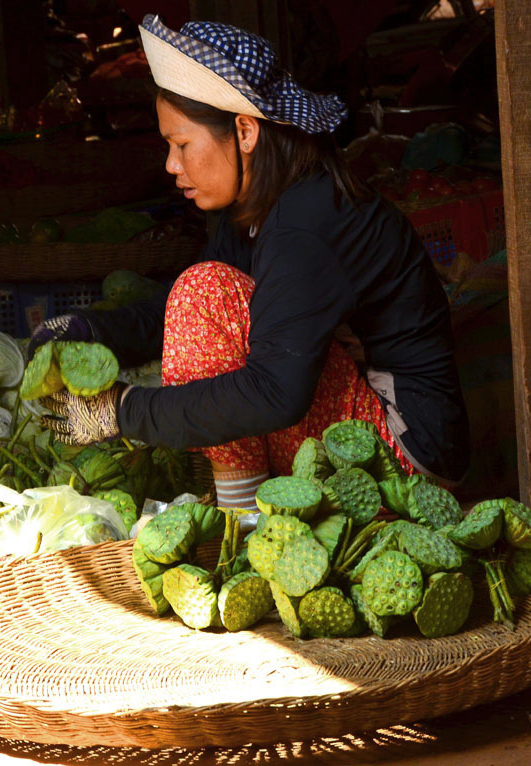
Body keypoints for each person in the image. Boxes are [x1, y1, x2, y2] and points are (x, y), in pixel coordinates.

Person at [35, 14, 469, 511]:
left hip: (407, 459)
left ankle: (241, 521)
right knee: (196, 296)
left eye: (181, 145)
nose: (171, 166)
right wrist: (87, 329)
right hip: (370, 426)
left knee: (204, 292)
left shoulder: (304, 224)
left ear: (244, 132)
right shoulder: (258, 210)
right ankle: (243, 511)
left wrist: (123, 410)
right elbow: (176, 320)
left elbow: (276, 393)